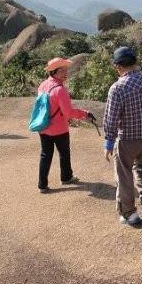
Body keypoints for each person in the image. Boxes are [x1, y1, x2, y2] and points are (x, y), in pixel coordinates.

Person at [102, 46, 142, 226]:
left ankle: (130, 214)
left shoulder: (117, 88)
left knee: (124, 175)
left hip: (127, 140)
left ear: (117, 66)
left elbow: (111, 119)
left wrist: (108, 142)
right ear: (136, 61)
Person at [37, 57, 94, 193]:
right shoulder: (60, 90)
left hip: (44, 126)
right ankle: (66, 177)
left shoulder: (43, 85)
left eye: (66, 69)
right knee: (64, 153)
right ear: (54, 72)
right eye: (62, 70)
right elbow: (68, 113)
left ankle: (42, 185)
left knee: (45, 154)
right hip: (59, 129)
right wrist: (84, 114)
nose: (65, 72)